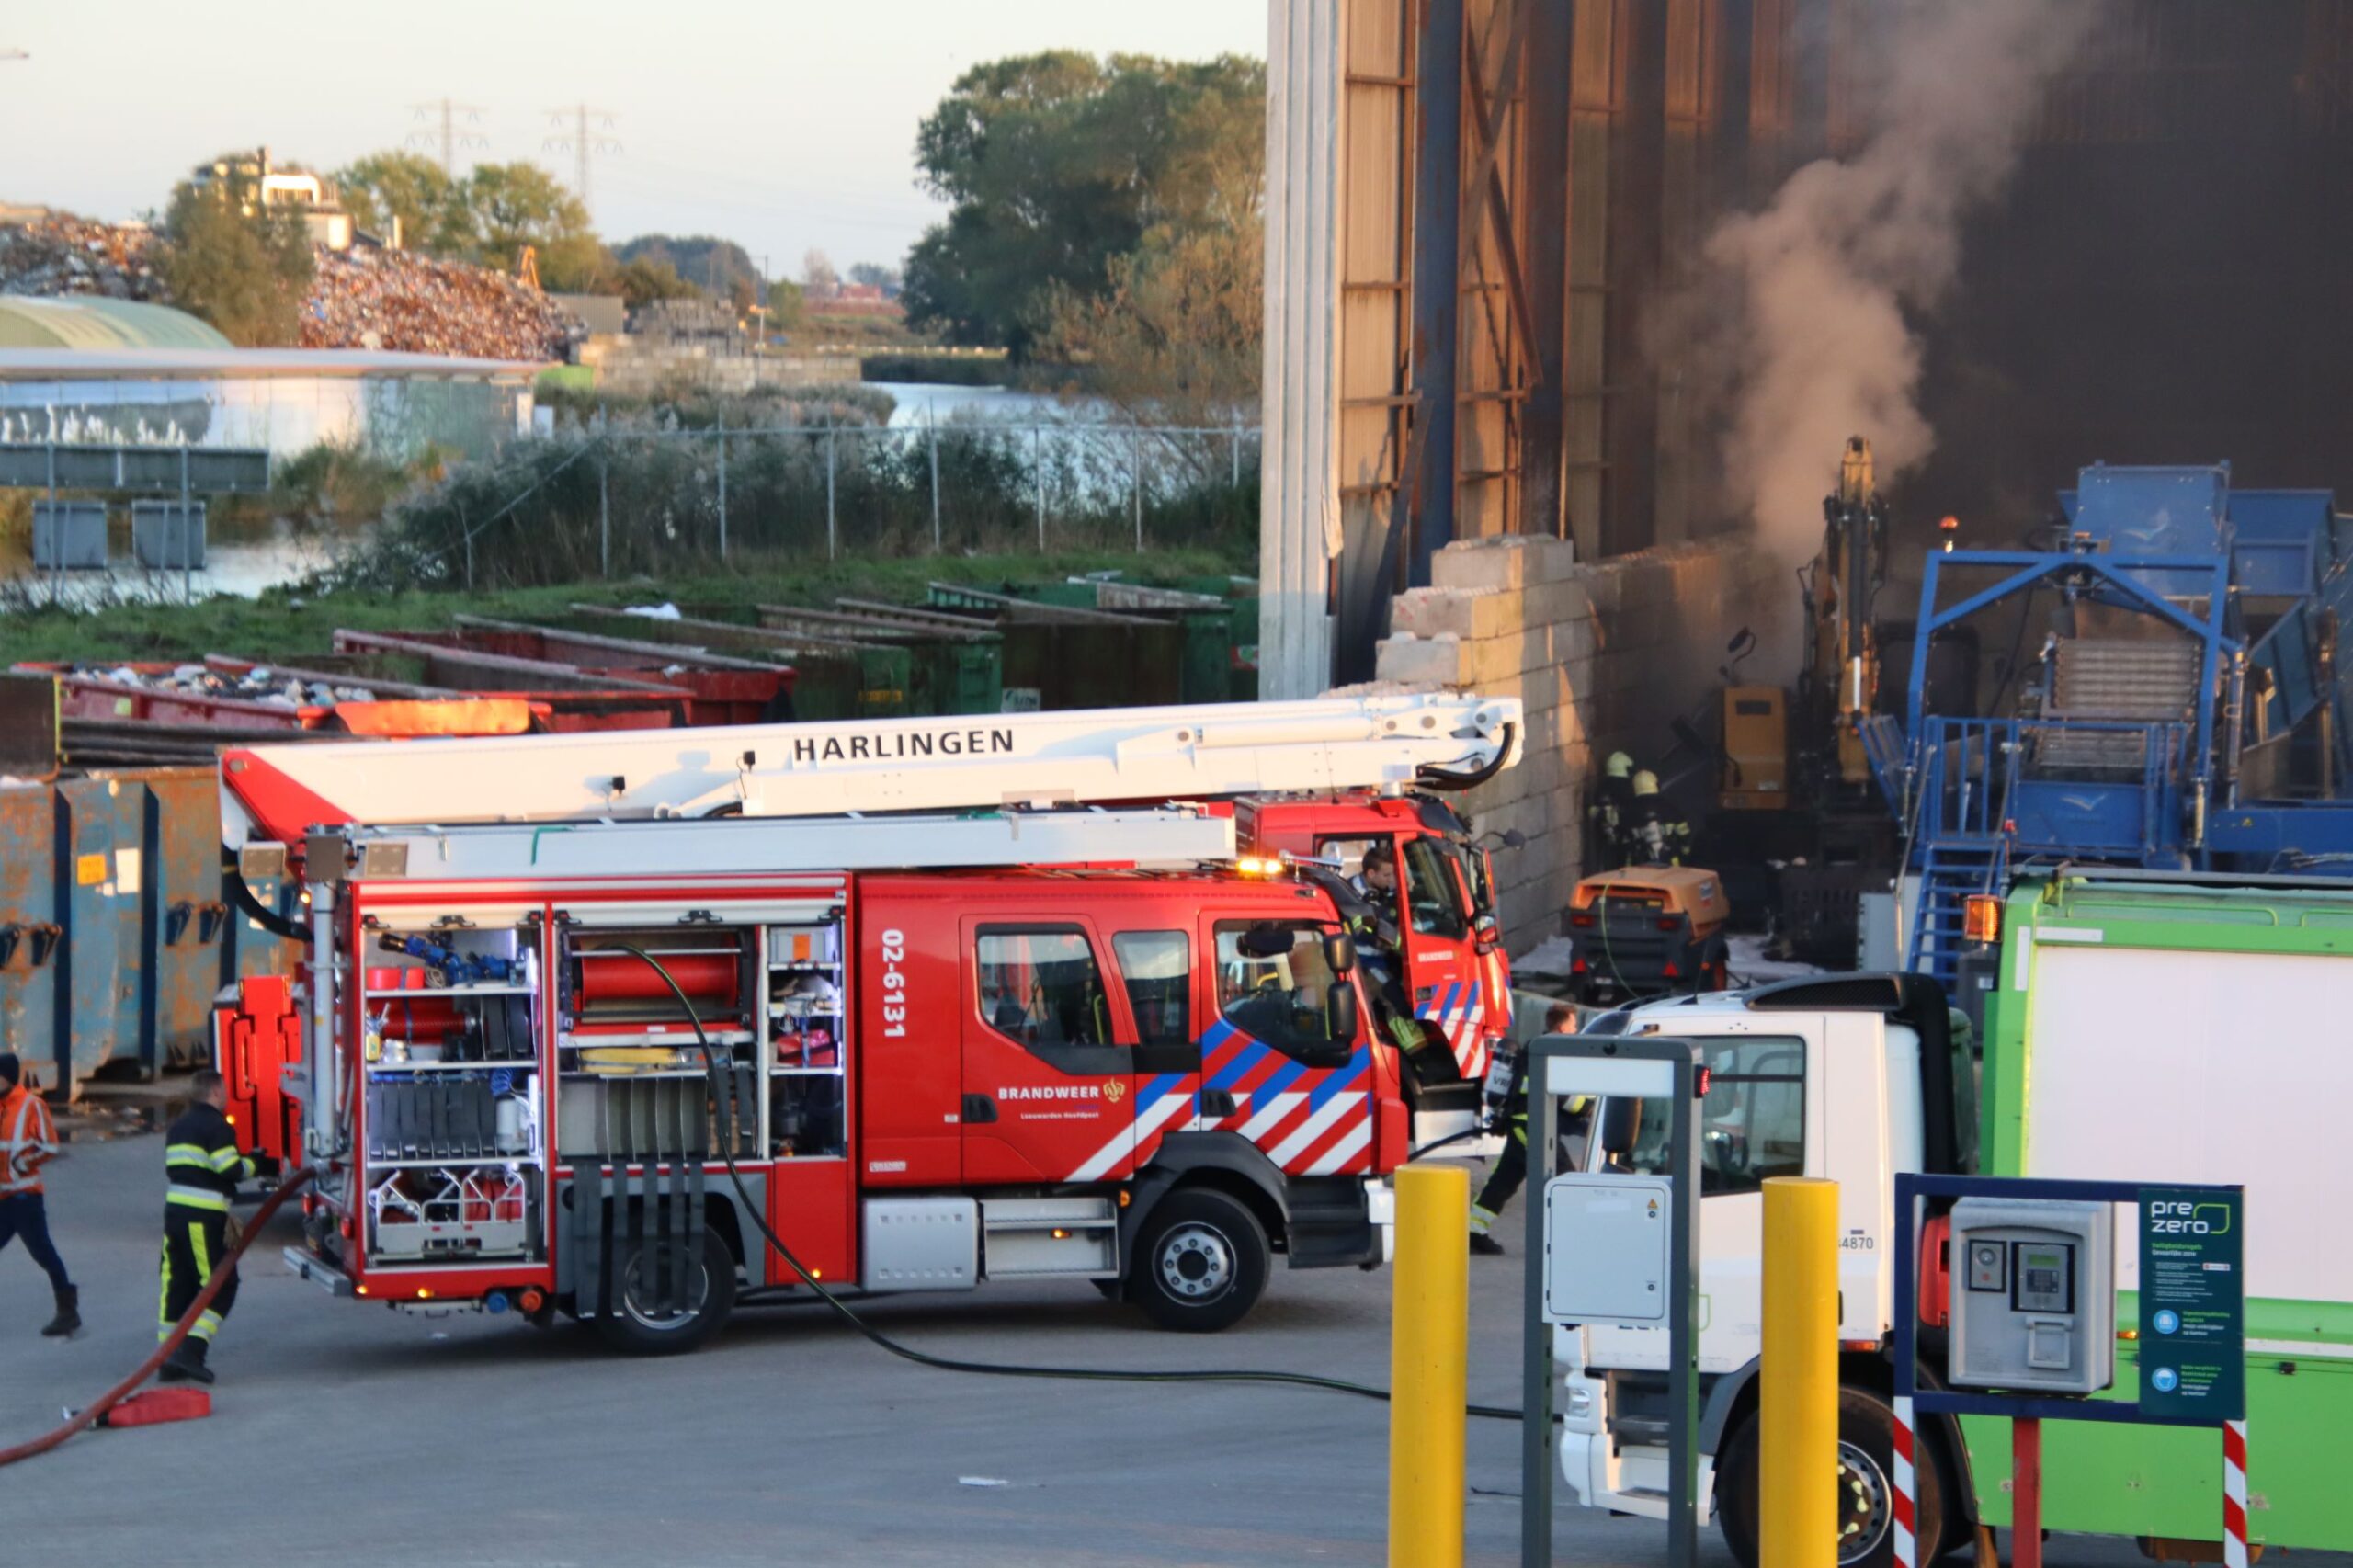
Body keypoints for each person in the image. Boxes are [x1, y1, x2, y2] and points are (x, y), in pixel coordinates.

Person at [157, 1068, 262, 1385]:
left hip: (174, 1214)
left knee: (177, 1285)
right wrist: (257, 1164)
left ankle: (167, 1358)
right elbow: (229, 1168)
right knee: (220, 1284)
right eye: (225, 1091)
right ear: (215, 1092)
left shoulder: (178, 1127)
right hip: (202, 1217)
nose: (227, 1096)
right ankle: (191, 1351)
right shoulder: (216, 1126)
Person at [1470, 1003, 1592, 1256]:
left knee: (1504, 1181)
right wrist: (1589, 1106)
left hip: (1524, 1124)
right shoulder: (1548, 1052)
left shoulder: (1539, 1048)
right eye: (1574, 1025)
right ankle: (1574, 1238)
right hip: (1532, 1126)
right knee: (1565, 1180)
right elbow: (1563, 1097)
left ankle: (1473, 1231)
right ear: (1562, 1027)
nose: (1576, 1030)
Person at [0, 1052, 79, 1337]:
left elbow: (50, 1146)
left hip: (25, 1197)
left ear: (7, 1077)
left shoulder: (32, 1105)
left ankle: (68, 1312)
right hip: (3, 1198)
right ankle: (67, 1311)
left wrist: (23, 1163)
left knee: (43, 1252)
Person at [1629, 770, 1692, 866]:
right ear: (1655, 785)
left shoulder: (1630, 808)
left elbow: (1624, 836)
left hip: (1640, 860)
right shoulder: (1668, 806)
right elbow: (1683, 831)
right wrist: (1686, 849)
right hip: (1669, 857)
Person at [1347, 844, 1403, 950]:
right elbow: (1360, 932)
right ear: (1371, 873)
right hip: (1366, 956)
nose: (1391, 880)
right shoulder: (1352, 896)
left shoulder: (1380, 888)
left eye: (1393, 874)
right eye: (1386, 875)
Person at [1589, 753, 1638, 867]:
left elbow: (1596, 812)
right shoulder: (1625, 788)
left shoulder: (1602, 787)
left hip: (1606, 839)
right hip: (1625, 837)